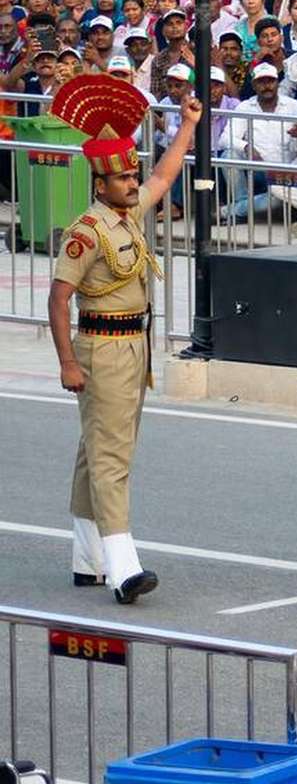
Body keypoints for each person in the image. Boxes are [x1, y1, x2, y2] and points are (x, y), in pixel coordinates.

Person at [48, 73, 202, 604]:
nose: (133, 183)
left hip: (134, 345)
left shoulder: (128, 214)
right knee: (112, 457)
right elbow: (57, 297)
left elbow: (164, 175)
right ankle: (123, 566)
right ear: (100, 183)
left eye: (132, 175)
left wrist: (187, 127)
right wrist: (68, 361)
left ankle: (86, 556)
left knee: (100, 450)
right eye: (122, 179)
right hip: (101, 345)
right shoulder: (87, 232)